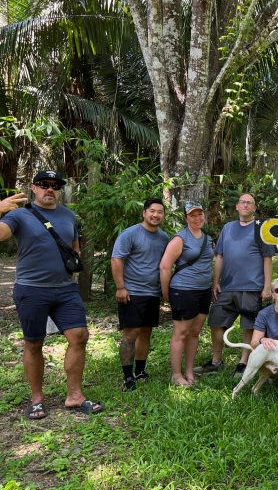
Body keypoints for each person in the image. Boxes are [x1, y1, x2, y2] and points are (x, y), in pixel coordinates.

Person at [0, 172, 102, 418]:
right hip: (31, 290)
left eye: (55, 186)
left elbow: (74, 245)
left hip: (65, 290)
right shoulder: (19, 215)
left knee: (79, 336)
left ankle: (75, 396)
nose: (50, 189)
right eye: (44, 185)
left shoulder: (68, 215)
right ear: (34, 188)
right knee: (34, 343)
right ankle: (36, 398)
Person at [195, 193, 274, 377]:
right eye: (242, 202)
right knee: (215, 322)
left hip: (252, 287)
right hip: (227, 287)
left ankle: (243, 363)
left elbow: (267, 258)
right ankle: (216, 361)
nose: (245, 205)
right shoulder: (228, 228)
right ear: (237, 206)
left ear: (254, 208)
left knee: (249, 325)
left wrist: (266, 287)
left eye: (249, 203)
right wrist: (215, 282)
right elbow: (219, 256)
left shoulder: (261, 229)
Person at [111, 198, 169, 391]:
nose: (156, 215)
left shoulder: (164, 238)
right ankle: (128, 377)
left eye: (160, 212)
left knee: (146, 332)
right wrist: (120, 287)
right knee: (130, 334)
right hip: (132, 292)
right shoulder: (131, 234)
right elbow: (117, 259)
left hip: (152, 293)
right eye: (152, 211)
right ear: (144, 213)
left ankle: (140, 371)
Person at [159, 201, 214, 386]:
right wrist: (166, 294)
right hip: (183, 290)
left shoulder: (207, 238)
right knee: (181, 333)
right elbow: (165, 267)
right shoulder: (180, 239)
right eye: (192, 215)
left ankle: (189, 371)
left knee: (195, 332)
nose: (197, 218)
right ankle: (176, 374)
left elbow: (209, 264)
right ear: (186, 217)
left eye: (200, 214)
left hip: (203, 291)